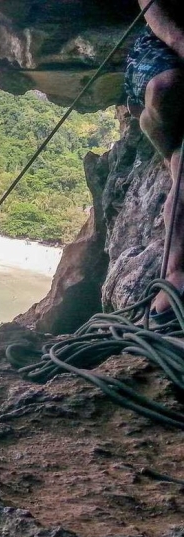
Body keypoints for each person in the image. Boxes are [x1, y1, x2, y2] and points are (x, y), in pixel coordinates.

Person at [125, 0, 184, 322]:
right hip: (162, 45)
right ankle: (176, 274)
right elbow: (169, 31)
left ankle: (175, 277)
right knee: (166, 87)